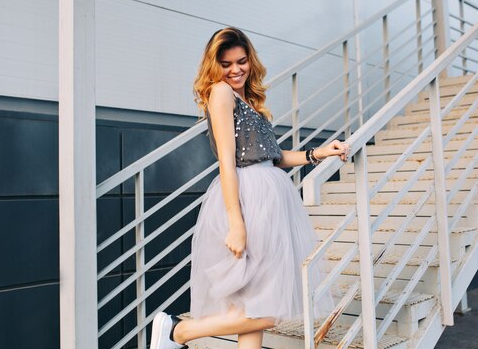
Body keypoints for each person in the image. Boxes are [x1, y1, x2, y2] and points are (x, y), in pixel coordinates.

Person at [149, 27, 350, 349]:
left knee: (254, 305)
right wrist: (236, 221)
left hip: (267, 195)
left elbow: (274, 157)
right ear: (215, 67)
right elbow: (227, 161)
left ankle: (177, 333)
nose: (235, 70)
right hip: (248, 198)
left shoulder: (247, 99)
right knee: (267, 312)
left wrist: (319, 153)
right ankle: (178, 332)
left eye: (241, 61)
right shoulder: (221, 93)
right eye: (226, 64)